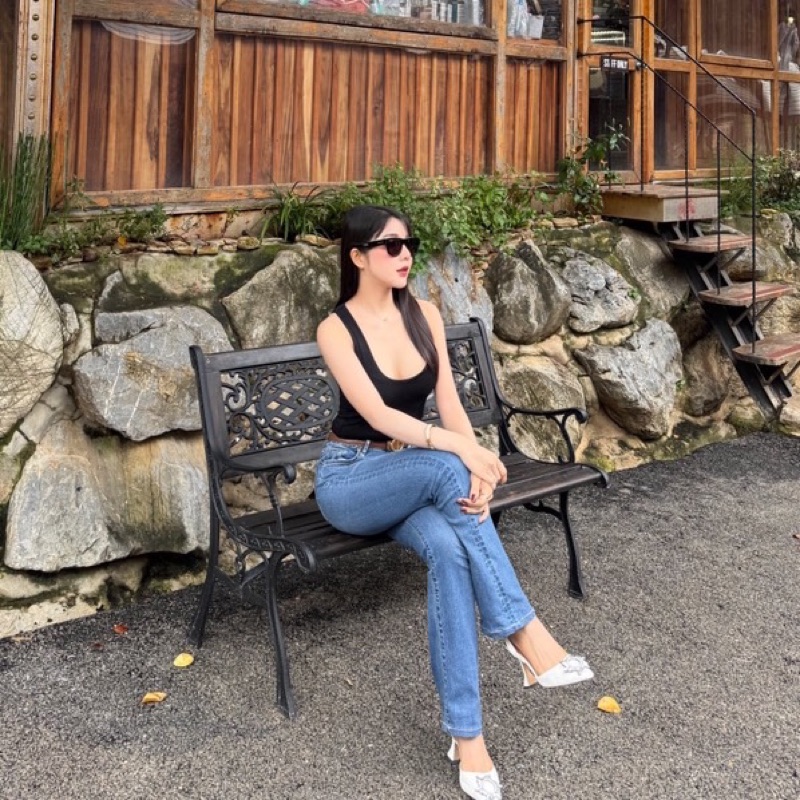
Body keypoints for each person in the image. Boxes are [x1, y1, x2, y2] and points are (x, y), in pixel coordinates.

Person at [314, 205, 594, 800]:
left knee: (449, 549)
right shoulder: (335, 329)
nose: (405, 255)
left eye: (409, 244)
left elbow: (450, 405)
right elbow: (379, 415)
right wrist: (460, 453)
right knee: (446, 465)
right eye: (390, 246)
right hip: (352, 479)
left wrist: (475, 471)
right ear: (357, 256)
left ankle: (468, 738)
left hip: (416, 474)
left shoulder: (425, 316)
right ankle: (523, 633)